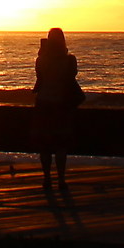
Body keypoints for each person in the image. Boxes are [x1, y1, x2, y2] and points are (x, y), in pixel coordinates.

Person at [32, 27, 84, 183]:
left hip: (43, 103)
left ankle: (47, 177)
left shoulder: (40, 60)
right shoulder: (69, 60)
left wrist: (43, 54)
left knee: (45, 146)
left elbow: (39, 79)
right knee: (61, 145)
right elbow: (71, 77)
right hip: (61, 104)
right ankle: (61, 178)